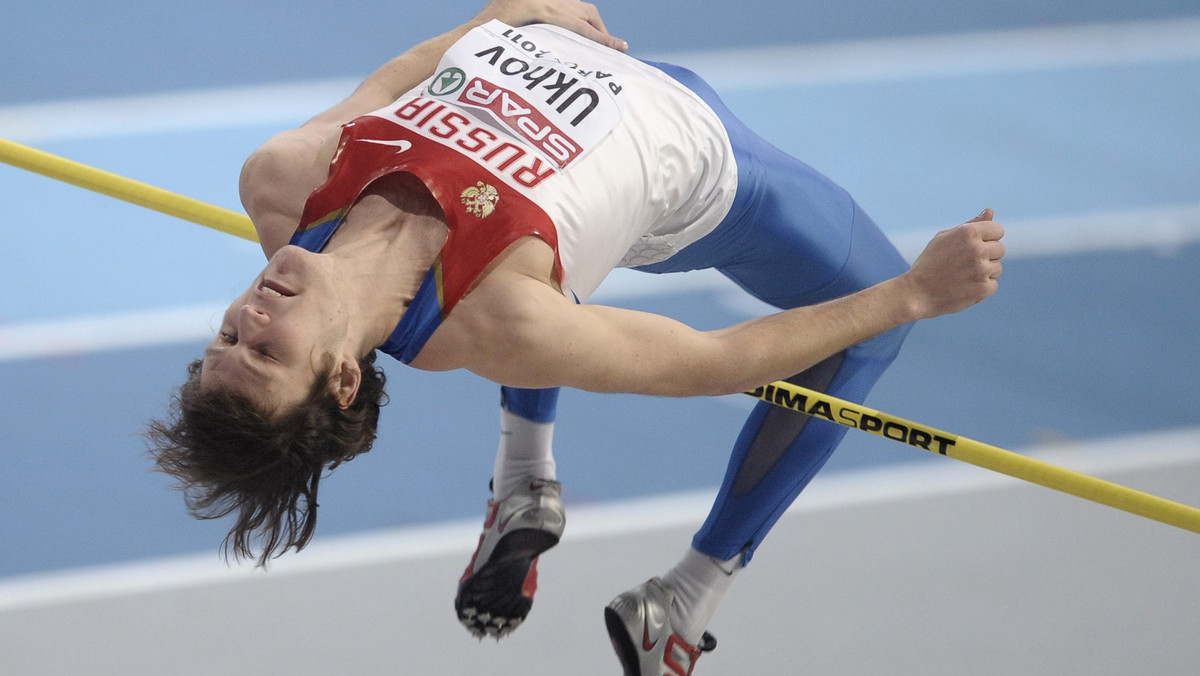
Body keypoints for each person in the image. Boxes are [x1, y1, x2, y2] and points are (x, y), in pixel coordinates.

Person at [147, 0, 1004, 673]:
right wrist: (911, 295)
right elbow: (717, 363)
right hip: (717, 169)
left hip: (581, 48)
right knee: (865, 334)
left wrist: (496, 16)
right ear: (338, 378)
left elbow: (398, 79)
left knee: (534, 299)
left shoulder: (284, 182)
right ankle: (688, 601)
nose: (253, 314)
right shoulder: (502, 318)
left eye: (229, 333)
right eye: (267, 352)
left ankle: (524, 480)